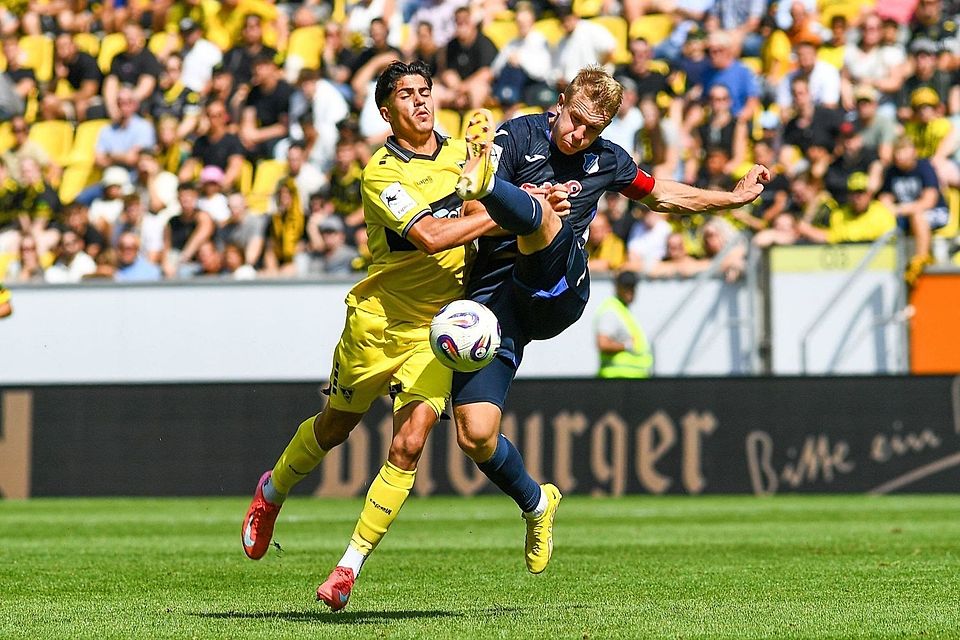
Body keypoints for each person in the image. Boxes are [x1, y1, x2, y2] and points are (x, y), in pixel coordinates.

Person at [450, 65, 768, 578]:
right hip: (496, 303)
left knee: (548, 220)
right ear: (560, 101)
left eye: (593, 129)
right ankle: (536, 502)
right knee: (475, 434)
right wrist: (517, 198)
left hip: (559, 287)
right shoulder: (515, 134)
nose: (579, 135)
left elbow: (661, 193)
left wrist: (730, 199)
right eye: (575, 120)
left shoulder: (607, 159)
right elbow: (466, 211)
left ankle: (530, 212)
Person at [240, 61, 504, 612]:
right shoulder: (381, 172)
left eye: (425, 91)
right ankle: (272, 492)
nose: (420, 101)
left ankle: (348, 567)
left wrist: (503, 194)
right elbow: (432, 236)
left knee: (408, 444)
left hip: (437, 331)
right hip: (378, 321)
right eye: (406, 95)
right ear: (386, 113)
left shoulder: (462, 154)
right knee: (336, 427)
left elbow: (479, 207)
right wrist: (506, 216)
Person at [594, 270, 652, 378]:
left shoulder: (623, 310)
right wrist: (626, 346)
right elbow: (603, 343)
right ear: (617, 287)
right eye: (626, 286)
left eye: (632, 287)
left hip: (630, 380)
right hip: (616, 380)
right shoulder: (611, 311)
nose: (629, 291)